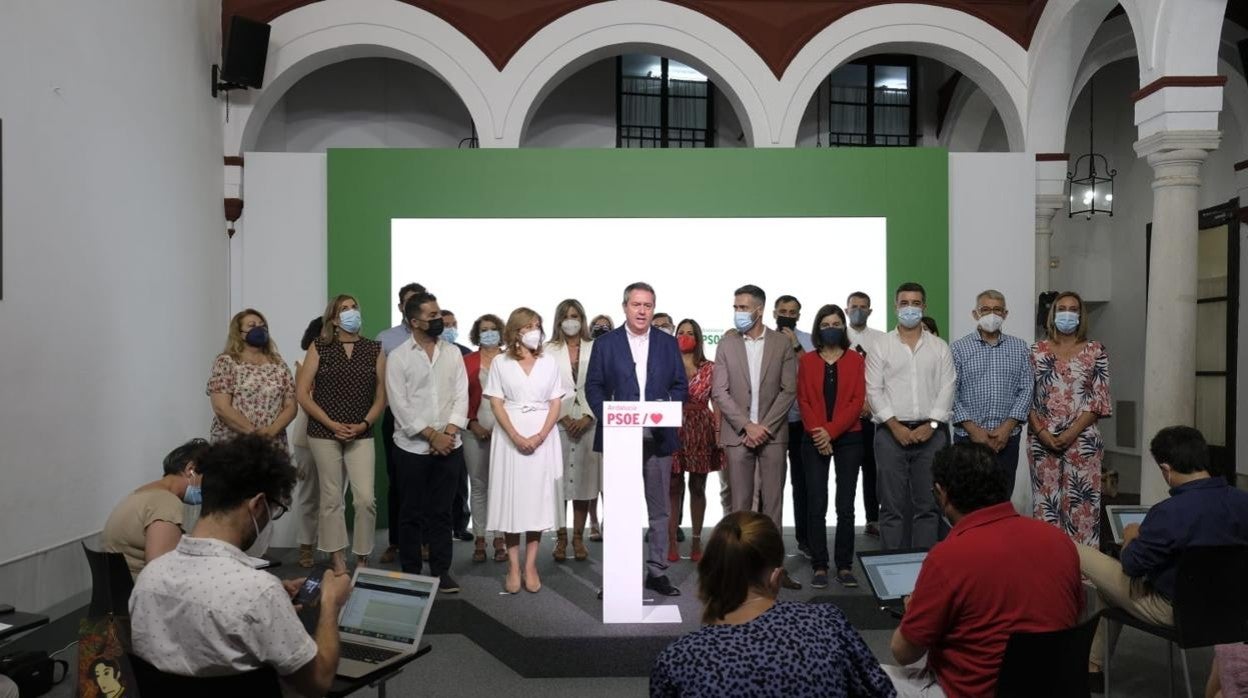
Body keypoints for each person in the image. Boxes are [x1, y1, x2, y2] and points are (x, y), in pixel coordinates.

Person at [129, 435, 351, 696]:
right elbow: (318, 682)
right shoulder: (258, 593)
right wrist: (329, 605)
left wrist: (272, 600)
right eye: (274, 509)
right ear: (257, 505)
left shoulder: (148, 579)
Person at [884, 442, 1084, 697]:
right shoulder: (1059, 540)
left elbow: (903, 652)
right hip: (1054, 687)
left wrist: (914, 613)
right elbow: (1074, 613)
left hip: (975, 691)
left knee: (858, 674)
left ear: (941, 493)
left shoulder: (947, 557)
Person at [649, 512, 895, 698]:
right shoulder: (828, 622)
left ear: (707, 575)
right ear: (776, 578)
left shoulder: (678, 661)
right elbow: (881, 691)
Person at [1078, 426, 1248, 682]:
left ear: (1166, 470)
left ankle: (1068, 650)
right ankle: (1093, 668)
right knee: (1107, 591)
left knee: (1075, 549)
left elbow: (1131, 566)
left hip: (1175, 610)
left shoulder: (1169, 512)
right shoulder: (1241, 502)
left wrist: (1131, 536)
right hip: (1232, 610)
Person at [586, 282, 688, 597]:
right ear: (625, 307)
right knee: (618, 510)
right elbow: (594, 387)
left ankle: (656, 572)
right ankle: (617, 574)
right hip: (620, 438)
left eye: (648, 305)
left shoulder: (667, 343)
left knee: (659, 511)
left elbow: (680, 385)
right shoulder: (606, 344)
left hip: (658, 439)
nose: (642, 310)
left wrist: (665, 407)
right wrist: (613, 414)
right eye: (636, 305)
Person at [712, 284, 800, 589]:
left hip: (773, 436)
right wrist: (746, 426)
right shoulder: (726, 344)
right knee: (740, 506)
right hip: (738, 436)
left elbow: (789, 389)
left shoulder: (781, 344)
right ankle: (740, 571)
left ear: (759, 310)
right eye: (735, 307)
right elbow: (719, 392)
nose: (738, 313)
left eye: (743, 308)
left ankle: (773, 570)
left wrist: (764, 427)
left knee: (773, 505)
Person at [386, 292, 469, 594]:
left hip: (450, 445)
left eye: (438, 314)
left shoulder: (453, 353)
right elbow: (400, 405)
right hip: (411, 448)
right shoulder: (398, 357)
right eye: (432, 316)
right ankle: (410, 571)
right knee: (410, 512)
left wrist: (447, 433)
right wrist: (431, 435)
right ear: (414, 322)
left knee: (442, 512)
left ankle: (441, 570)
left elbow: (462, 395)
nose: (438, 320)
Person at [296, 294, 386, 571]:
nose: (351, 313)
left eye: (354, 307)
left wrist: (364, 424)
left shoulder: (375, 348)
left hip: (361, 432)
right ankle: (337, 558)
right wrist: (331, 423)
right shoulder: (319, 347)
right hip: (323, 432)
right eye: (344, 309)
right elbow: (302, 393)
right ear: (334, 319)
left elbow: (381, 396)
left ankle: (362, 556)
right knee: (332, 498)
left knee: (365, 499)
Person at [866, 282, 955, 551]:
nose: (910, 309)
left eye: (916, 303)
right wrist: (894, 426)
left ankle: (925, 575)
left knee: (928, 507)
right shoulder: (881, 346)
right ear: (896, 307)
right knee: (891, 508)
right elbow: (873, 390)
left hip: (931, 435)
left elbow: (947, 387)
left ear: (924, 307)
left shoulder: (939, 347)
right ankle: (892, 574)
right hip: (890, 435)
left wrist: (931, 425)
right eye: (904, 303)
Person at [485, 307, 567, 593]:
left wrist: (541, 435)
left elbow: (556, 402)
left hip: (543, 435)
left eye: (538, 325)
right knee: (512, 501)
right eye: (529, 325)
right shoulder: (500, 362)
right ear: (516, 331)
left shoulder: (549, 362)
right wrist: (516, 435)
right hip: (510, 436)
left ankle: (531, 565)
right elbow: (495, 402)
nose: (535, 330)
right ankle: (513, 566)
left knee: (536, 502)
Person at [1027, 291, 1112, 547]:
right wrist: (1043, 433)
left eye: (1073, 309)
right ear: (1052, 314)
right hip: (1042, 442)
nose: (1067, 313)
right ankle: (1047, 574)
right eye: (1061, 308)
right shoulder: (1036, 351)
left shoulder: (1095, 351)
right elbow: (1026, 399)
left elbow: (1099, 400)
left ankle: (1083, 580)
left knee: (1082, 509)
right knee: (1045, 509)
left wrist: (1070, 433)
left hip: (1083, 442)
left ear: (1080, 315)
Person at [797, 305, 866, 589]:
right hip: (814, 438)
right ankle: (820, 564)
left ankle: (845, 565)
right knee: (816, 503)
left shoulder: (855, 360)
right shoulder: (808, 360)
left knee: (845, 505)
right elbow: (804, 401)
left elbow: (856, 401)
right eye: (825, 324)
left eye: (837, 322)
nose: (831, 327)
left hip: (849, 438)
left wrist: (831, 432)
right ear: (817, 328)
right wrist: (820, 434)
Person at [950, 290, 1033, 501]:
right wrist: (974, 431)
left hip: (1007, 440)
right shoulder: (958, 348)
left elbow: (1026, 389)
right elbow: (951, 392)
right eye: (985, 309)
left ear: (1005, 314)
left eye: (997, 310)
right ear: (975, 314)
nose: (991, 314)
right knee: (966, 501)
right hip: (967, 439)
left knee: (1001, 501)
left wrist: (1006, 429)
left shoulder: (1019, 347)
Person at [102, 438, 208, 579]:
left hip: (119, 589)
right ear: (191, 469)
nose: (209, 487)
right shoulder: (166, 502)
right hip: (139, 592)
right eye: (208, 478)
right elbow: (161, 573)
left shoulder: (141, 493)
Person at [546, 299, 599, 562]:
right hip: (558, 421)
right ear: (558, 320)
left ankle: (579, 538)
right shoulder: (548, 350)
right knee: (559, 484)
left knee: (584, 482)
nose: (571, 320)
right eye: (566, 316)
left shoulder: (595, 347)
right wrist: (564, 417)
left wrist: (589, 415)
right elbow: (543, 388)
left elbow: (602, 384)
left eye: (576, 315)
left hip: (589, 420)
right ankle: (561, 539)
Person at [376, 282, 425, 563]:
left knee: (429, 482)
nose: (415, 306)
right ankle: (396, 542)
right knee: (399, 481)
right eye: (409, 302)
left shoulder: (436, 339)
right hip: (395, 416)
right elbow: (380, 383)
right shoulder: (386, 339)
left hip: (430, 417)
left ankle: (426, 541)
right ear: (401, 307)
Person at [669, 319, 723, 562]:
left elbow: (718, 402)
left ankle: (696, 542)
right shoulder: (666, 365)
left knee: (697, 487)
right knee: (673, 486)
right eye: (681, 332)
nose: (685, 336)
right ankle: (671, 542)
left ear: (699, 338)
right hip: (672, 427)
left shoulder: (710, 367)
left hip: (701, 428)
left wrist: (720, 433)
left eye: (690, 333)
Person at [206, 308, 297, 445]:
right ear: (239, 333)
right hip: (233, 443)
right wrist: (254, 434)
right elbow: (221, 407)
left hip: (271, 443)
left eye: (262, 325)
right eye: (252, 326)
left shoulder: (278, 364)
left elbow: (291, 406)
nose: (259, 329)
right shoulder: (227, 362)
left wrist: (271, 431)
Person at [774, 295, 814, 559]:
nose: (787, 314)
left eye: (792, 311)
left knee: (803, 484)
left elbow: (814, 373)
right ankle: (769, 543)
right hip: (773, 422)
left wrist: (796, 344)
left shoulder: (809, 339)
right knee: (771, 485)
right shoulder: (764, 338)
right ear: (774, 313)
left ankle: (805, 539)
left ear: (799, 315)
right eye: (783, 311)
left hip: (801, 421)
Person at [464, 313, 507, 563]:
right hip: (474, 431)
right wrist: (473, 423)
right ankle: (480, 537)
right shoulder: (467, 361)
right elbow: (458, 397)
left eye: (493, 329)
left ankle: (499, 538)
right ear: (476, 334)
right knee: (478, 485)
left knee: (500, 486)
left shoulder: (511, 360)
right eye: (484, 329)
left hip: (505, 432)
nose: (489, 333)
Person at [847, 291, 885, 538]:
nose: (858, 310)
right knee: (846, 473)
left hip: (872, 414)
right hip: (845, 416)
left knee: (873, 470)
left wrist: (870, 404)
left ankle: (873, 518)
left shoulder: (882, 339)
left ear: (870, 311)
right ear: (846, 309)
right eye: (854, 306)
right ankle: (844, 518)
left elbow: (885, 377)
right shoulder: (838, 336)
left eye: (863, 306)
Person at [439, 308, 474, 544]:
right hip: (431, 427)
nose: (451, 328)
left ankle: (460, 525)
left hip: (458, 426)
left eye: (454, 324)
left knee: (460, 481)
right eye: (446, 324)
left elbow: (465, 394)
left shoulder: (463, 353)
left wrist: (455, 426)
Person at [291, 316, 323, 568]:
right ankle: (305, 547)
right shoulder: (303, 363)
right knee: (308, 494)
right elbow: (305, 398)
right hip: (307, 437)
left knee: (335, 497)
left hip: (341, 436)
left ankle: (333, 547)